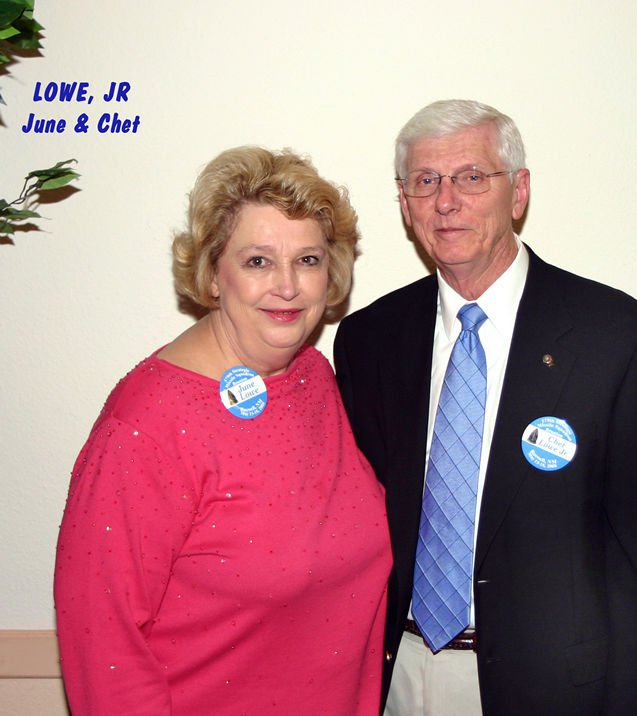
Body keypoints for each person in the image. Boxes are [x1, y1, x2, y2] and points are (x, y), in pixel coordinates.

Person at [334, 99, 637, 715]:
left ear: (518, 192)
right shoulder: (368, 339)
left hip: (553, 689)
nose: (446, 201)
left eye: (471, 177)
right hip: (396, 674)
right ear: (405, 203)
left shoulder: (617, 337)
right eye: (425, 181)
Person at [54, 146, 391, 715]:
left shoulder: (313, 377)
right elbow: (103, 644)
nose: (287, 286)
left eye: (308, 260)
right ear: (213, 274)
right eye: (258, 261)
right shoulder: (145, 426)